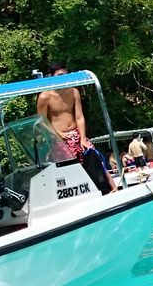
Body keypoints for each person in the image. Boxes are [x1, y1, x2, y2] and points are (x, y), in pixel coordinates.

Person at [37, 61, 116, 192]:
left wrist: (83, 138)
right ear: (51, 76)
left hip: (77, 134)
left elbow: (79, 116)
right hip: (58, 138)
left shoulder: (73, 92)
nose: (64, 78)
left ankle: (113, 189)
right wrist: (59, 134)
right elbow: (42, 122)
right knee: (71, 167)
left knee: (94, 156)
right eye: (60, 75)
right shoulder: (45, 96)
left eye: (66, 75)